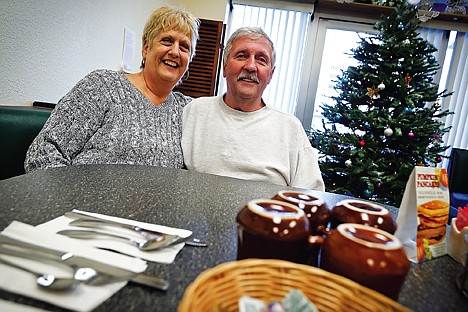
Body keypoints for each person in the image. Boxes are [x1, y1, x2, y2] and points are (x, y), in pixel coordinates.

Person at [24, 6, 200, 172]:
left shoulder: (189, 111)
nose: (175, 52)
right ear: (146, 48)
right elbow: (43, 152)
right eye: (167, 41)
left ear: (189, 60)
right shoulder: (101, 86)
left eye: (184, 47)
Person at [182, 27, 325, 191]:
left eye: (261, 60)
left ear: (270, 74)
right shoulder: (195, 112)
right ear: (225, 66)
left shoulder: (290, 128)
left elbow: (311, 196)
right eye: (242, 56)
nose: (251, 66)